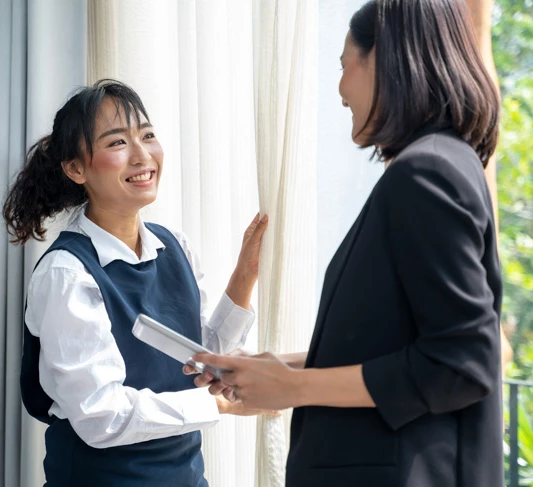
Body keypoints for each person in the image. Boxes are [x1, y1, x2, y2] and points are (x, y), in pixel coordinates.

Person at [191, 1, 503, 486]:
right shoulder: (438, 165)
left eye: (343, 65)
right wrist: (275, 368)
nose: (339, 92)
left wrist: (295, 385)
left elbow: (462, 361)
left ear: (383, 59)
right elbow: (402, 345)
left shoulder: (427, 174)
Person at [2, 79, 270, 487]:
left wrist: (245, 276)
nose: (143, 155)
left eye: (147, 135)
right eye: (117, 143)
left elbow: (198, 362)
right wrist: (221, 406)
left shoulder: (172, 245)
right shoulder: (67, 273)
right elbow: (101, 416)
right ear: (76, 169)